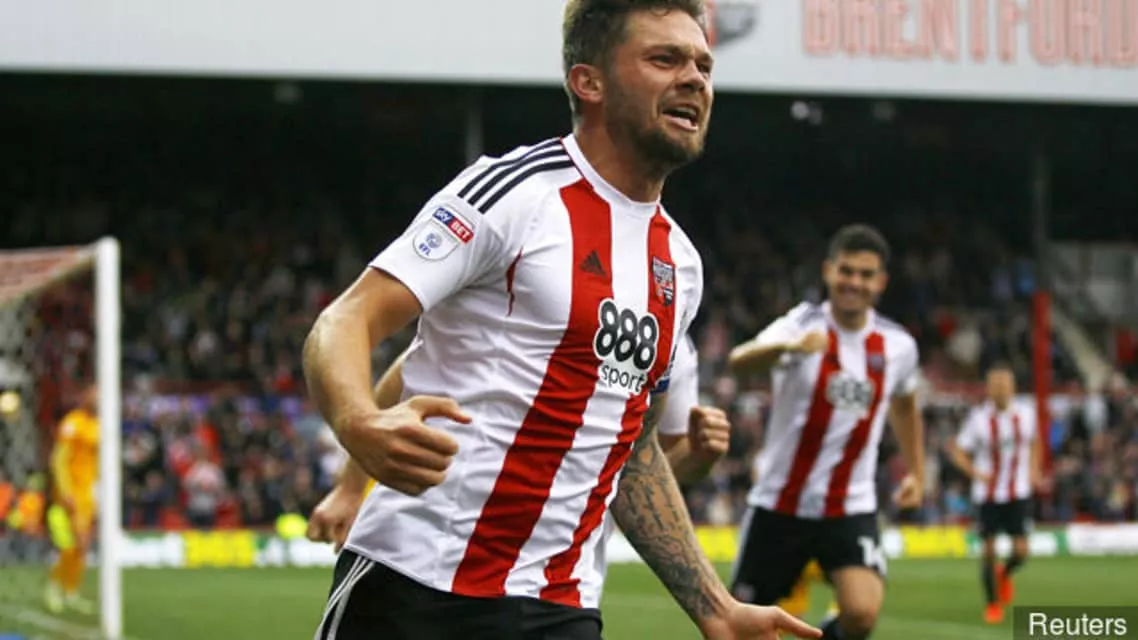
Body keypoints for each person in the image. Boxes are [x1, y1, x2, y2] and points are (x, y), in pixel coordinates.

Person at [301, 1, 821, 637]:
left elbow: (633, 452)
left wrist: (715, 608)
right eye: (665, 59)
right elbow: (346, 319)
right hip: (417, 586)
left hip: (560, 607)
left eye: (703, 66)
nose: (694, 79)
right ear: (589, 81)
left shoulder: (679, 265)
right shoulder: (514, 195)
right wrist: (358, 421)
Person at [307, 333, 732, 551]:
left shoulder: (674, 317)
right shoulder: (532, 243)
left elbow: (647, 471)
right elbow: (411, 366)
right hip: (429, 545)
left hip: (560, 578)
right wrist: (350, 487)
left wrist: (699, 456)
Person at [726, 224, 925, 640]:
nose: (854, 282)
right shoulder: (800, 324)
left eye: (866, 274)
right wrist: (787, 348)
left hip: (849, 504)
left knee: (862, 612)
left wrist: (917, 473)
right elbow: (739, 361)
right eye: (846, 271)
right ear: (828, 271)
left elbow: (905, 405)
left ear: (881, 282)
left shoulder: (898, 345)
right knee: (741, 628)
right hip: (781, 503)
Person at [946, 362, 1043, 624]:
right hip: (987, 495)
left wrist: (1034, 470)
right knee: (988, 550)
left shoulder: (1026, 413)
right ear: (988, 389)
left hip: (1018, 491)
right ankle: (992, 604)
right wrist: (975, 473)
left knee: (1021, 551)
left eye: (1005, 384)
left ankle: (1005, 573)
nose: (1000, 389)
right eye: (996, 385)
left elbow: (1035, 442)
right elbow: (958, 451)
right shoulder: (978, 419)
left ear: (1012, 387)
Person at [44, 385, 99, 615]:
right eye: (95, 395)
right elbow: (58, 459)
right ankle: (54, 587)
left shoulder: (100, 426)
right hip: (70, 494)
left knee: (82, 546)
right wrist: (65, 490)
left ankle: (71, 591)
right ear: (85, 397)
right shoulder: (72, 423)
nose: (98, 400)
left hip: (89, 493)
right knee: (69, 546)